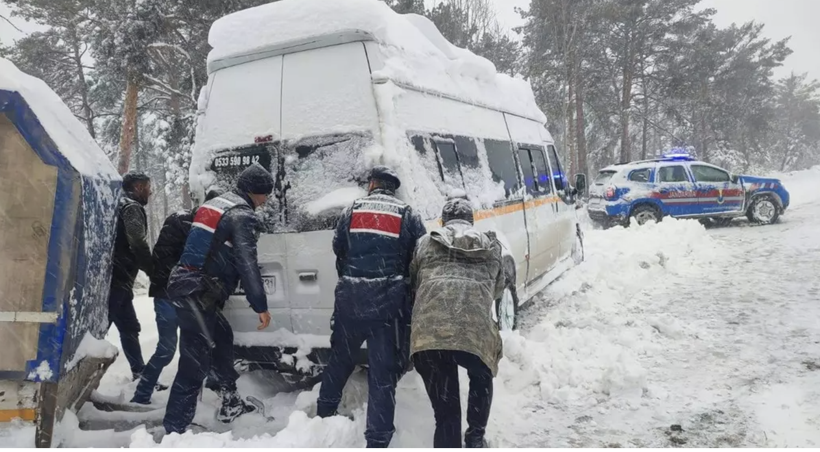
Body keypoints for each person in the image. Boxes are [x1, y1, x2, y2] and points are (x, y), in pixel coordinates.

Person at [316, 165, 427, 448]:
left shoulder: (350, 211)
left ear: (372, 185)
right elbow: (420, 257)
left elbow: (339, 250)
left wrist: (354, 278)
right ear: (392, 187)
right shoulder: (407, 214)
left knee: (340, 361)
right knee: (382, 374)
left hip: (350, 300)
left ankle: (322, 418)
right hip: (388, 306)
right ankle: (377, 440)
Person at [162, 164, 274, 434]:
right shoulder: (241, 215)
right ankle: (175, 430)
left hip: (190, 289)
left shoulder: (217, 203)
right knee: (193, 363)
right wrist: (260, 305)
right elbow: (247, 263)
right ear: (256, 193)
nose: (265, 201)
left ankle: (230, 401)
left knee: (222, 339)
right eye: (265, 195)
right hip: (197, 294)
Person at [409, 196, 506, 448]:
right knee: (481, 375)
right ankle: (475, 437)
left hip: (429, 335)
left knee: (446, 414)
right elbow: (497, 288)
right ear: (472, 222)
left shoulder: (424, 244)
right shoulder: (492, 247)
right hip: (473, 333)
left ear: (443, 222)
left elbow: (414, 283)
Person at [131, 186, 224, 405]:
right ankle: (141, 395)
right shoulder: (179, 222)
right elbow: (163, 259)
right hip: (168, 296)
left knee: (197, 347)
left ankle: (202, 396)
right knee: (167, 349)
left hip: (191, 298)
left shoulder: (214, 229)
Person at [110, 172, 154, 381]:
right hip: (118, 278)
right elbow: (136, 241)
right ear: (138, 187)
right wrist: (153, 269)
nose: (150, 191)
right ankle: (80, 374)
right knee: (105, 328)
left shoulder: (116, 203)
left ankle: (139, 373)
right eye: (147, 187)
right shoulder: (132, 208)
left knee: (129, 326)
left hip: (116, 278)